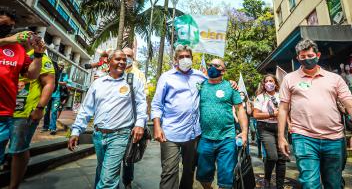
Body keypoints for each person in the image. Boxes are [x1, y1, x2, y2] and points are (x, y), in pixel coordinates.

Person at [278, 39, 352, 189]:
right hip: (303, 137)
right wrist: (281, 137)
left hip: (334, 139)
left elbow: (351, 106)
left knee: (334, 183)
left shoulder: (335, 79)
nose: (307, 59)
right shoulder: (289, 79)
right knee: (309, 183)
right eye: (303, 56)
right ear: (298, 58)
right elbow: (283, 109)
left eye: (310, 55)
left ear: (318, 55)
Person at [151, 44, 238, 189]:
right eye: (181, 57)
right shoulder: (166, 77)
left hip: (193, 134)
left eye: (187, 56)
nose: (185, 59)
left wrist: (231, 83)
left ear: (191, 58)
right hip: (170, 133)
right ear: (175, 60)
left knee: (189, 171)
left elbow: (215, 83)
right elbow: (156, 104)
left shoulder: (199, 76)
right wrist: (157, 126)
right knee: (169, 172)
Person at [68, 50, 147, 189]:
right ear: (109, 61)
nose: (122, 62)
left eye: (124, 59)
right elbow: (86, 109)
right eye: (118, 59)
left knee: (108, 180)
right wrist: (76, 131)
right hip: (98, 135)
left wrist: (140, 124)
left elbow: (141, 104)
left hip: (120, 135)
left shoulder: (133, 81)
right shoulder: (98, 83)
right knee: (102, 170)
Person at [0, 7, 44, 168]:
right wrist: (9, 40)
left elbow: (31, 75)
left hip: (6, 112)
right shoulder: (9, 42)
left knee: (13, 152)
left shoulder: (17, 49)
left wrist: (38, 55)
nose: (7, 30)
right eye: (3, 24)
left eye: (10, 27)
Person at [8, 44, 55, 189]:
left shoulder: (41, 58)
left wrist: (39, 108)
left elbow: (49, 83)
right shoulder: (11, 54)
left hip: (24, 113)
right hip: (5, 110)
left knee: (19, 149)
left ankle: (13, 185)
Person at [196, 59, 248, 189]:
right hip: (205, 138)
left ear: (223, 71)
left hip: (227, 139)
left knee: (226, 180)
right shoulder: (200, 86)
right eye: (210, 65)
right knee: (203, 176)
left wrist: (245, 132)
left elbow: (240, 109)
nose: (212, 67)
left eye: (217, 65)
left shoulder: (230, 87)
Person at [253, 74, 287, 189]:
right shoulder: (260, 97)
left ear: (276, 83)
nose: (268, 83)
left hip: (281, 128)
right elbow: (256, 114)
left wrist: (290, 124)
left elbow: (287, 111)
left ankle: (280, 185)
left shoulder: (281, 96)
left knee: (282, 158)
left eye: (271, 81)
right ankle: (267, 179)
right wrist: (272, 114)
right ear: (264, 84)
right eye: (266, 81)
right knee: (272, 156)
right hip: (265, 128)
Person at [121, 47, 147, 189]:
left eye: (129, 55)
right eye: (124, 55)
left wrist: (140, 122)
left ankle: (127, 182)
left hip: (131, 121)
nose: (126, 58)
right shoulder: (113, 70)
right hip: (113, 121)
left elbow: (142, 98)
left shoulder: (138, 75)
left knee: (129, 155)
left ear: (133, 57)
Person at [42, 61, 69, 135]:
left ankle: (53, 128)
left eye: (62, 66)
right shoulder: (52, 73)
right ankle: (45, 126)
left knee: (54, 111)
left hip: (57, 96)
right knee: (46, 111)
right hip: (49, 95)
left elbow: (65, 83)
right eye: (60, 65)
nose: (61, 67)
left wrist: (56, 81)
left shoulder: (64, 75)